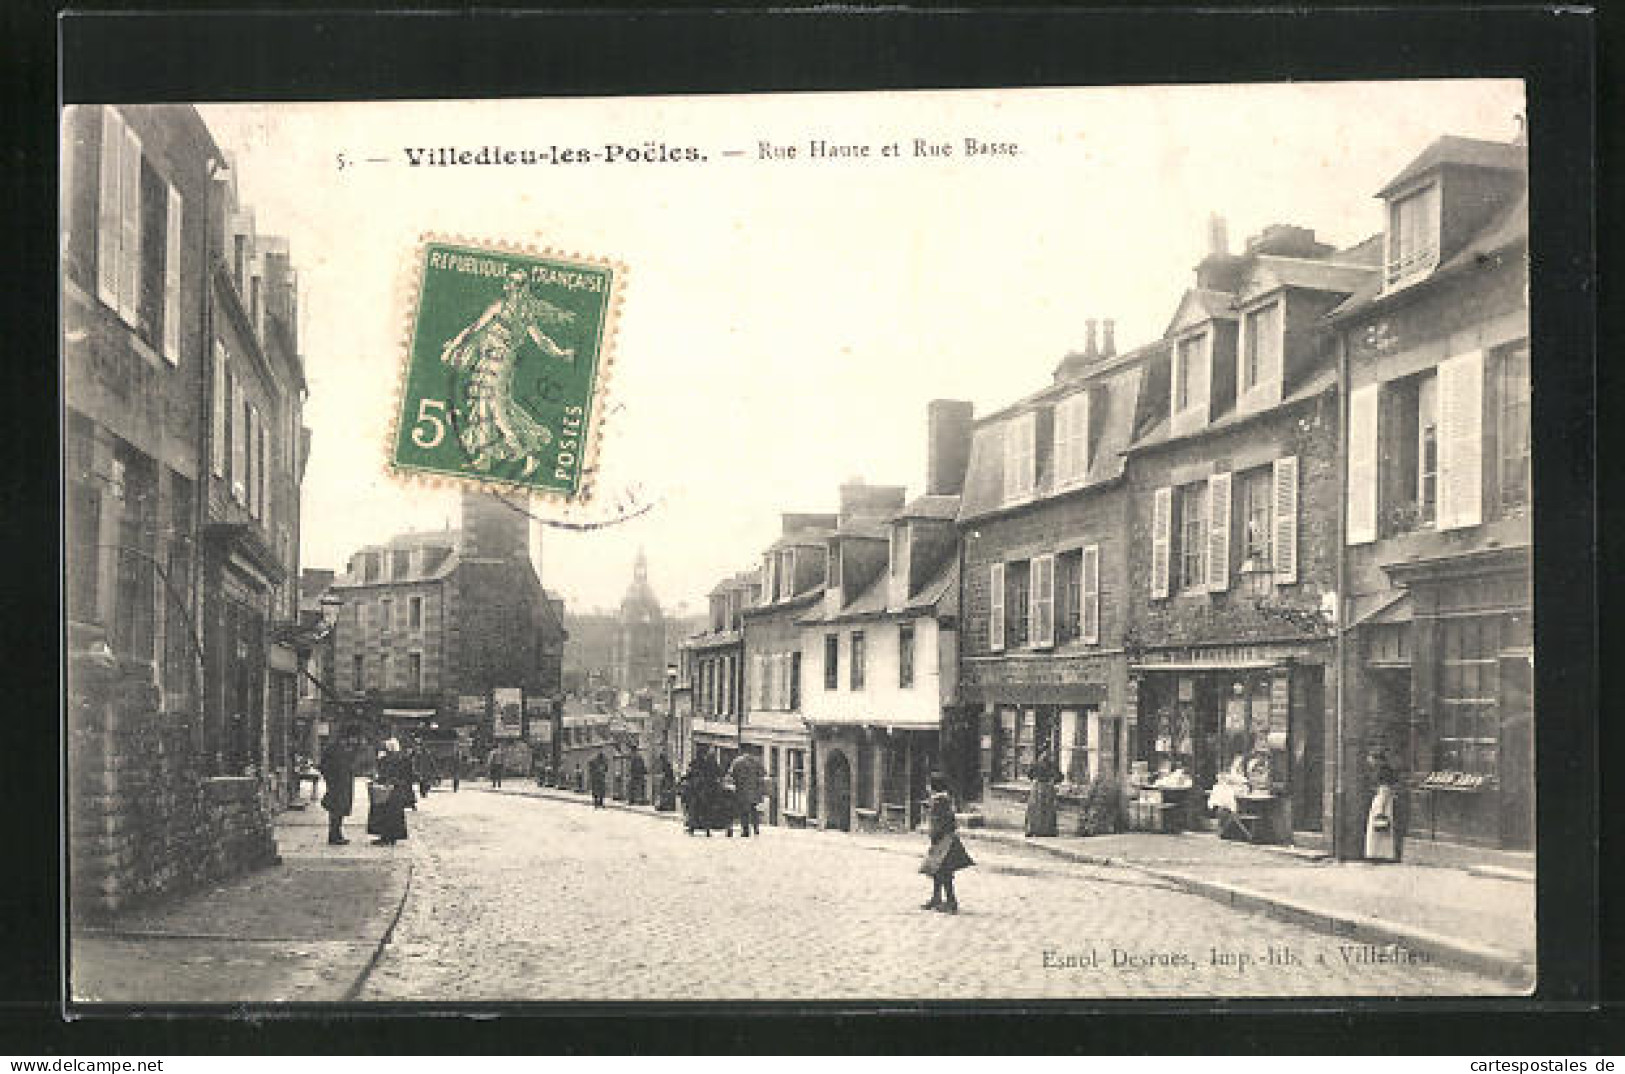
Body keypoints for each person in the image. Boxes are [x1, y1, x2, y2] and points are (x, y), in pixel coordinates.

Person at [439, 269, 576, 476]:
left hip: (501, 363)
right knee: (483, 404)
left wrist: (560, 353)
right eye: (512, 284)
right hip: (487, 361)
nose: (513, 289)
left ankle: (528, 452)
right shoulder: (503, 308)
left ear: (520, 288)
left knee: (498, 409)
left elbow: (541, 340)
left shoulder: (522, 313)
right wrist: (453, 346)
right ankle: (485, 458)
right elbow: (474, 328)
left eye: (517, 285)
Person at [919, 773, 973, 913]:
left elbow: (941, 821)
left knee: (944, 871)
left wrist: (935, 835)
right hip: (943, 839)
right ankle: (936, 898)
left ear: (933, 787)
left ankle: (951, 901)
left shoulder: (940, 802)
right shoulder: (941, 801)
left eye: (929, 785)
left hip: (944, 841)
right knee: (937, 870)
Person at [367, 739, 413, 846]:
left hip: (389, 789)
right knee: (395, 814)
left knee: (385, 812)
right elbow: (407, 775)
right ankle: (392, 837)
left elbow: (383, 774)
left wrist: (379, 780)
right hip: (397, 789)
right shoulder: (402, 759)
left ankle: (386, 837)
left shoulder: (387, 760)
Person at [317, 733, 357, 845]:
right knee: (336, 810)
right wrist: (331, 780)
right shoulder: (335, 750)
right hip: (337, 785)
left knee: (339, 810)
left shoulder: (344, 750)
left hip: (343, 785)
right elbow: (324, 766)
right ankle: (334, 835)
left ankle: (337, 834)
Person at [1366, 765, 1401, 862]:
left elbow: (1382, 800)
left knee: (1378, 833)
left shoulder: (1383, 788)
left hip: (1380, 810)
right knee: (1384, 833)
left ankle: (1376, 853)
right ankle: (1383, 853)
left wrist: (1379, 812)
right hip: (1386, 810)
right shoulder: (1388, 788)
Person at [727, 750, 766, 838]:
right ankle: (756, 829)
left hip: (742, 791)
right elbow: (763, 774)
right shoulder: (756, 761)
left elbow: (731, 775)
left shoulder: (737, 762)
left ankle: (746, 831)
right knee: (754, 810)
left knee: (744, 812)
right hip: (754, 791)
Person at [1024, 752, 1060, 837]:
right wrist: (1053, 781)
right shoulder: (1048, 765)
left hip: (1041, 788)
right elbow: (1060, 777)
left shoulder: (1042, 765)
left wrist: (1052, 780)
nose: (1044, 758)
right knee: (1040, 809)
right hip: (1044, 788)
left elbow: (1029, 774)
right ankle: (1043, 830)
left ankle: (1038, 830)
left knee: (1038, 809)